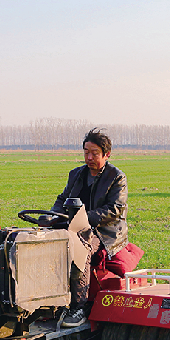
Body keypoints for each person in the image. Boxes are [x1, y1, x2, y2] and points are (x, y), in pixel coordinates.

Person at [46, 128, 128, 327]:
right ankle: (50, 301)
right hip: (75, 225)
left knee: (80, 248)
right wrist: (50, 216)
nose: (89, 157)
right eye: (86, 152)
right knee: (45, 241)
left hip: (104, 230)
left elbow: (114, 209)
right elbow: (62, 199)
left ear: (106, 154)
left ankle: (79, 306)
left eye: (94, 153)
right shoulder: (76, 174)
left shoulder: (116, 177)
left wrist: (83, 218)